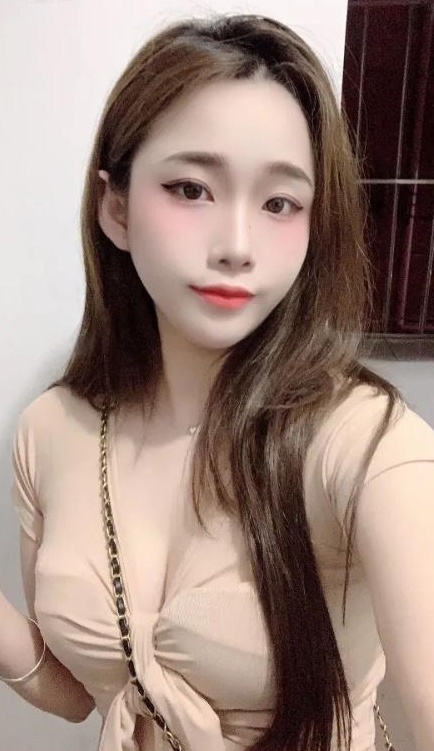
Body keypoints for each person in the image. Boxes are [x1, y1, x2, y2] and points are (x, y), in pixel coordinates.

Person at [1, 13, 434, 751]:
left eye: (279, 203)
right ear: (116, 208)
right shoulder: (51, 429)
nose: (237, 246)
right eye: (191, 188)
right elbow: (79, 699)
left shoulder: (366, 444)